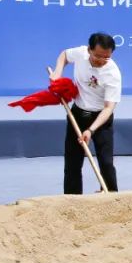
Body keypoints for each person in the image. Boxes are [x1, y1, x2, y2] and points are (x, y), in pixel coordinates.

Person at [50, 33, 121, 194]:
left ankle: (111, 195)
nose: (101, 60)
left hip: (100, 119)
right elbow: (64, 55)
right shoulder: (81, 53)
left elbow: (108, 108)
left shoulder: (113, 74)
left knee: (106, 162)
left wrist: (91, 130)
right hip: (78, 113)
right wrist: (58, 72)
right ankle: (73, 198)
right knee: (72, 162)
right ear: (89, 50)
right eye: (97, 56)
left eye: (106, 57)